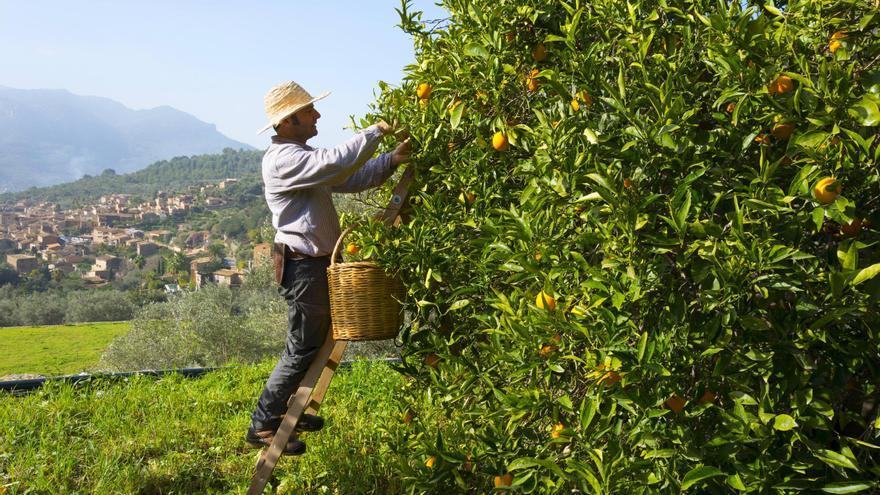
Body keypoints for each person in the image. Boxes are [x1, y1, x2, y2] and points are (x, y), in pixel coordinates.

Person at [247, 80, 411, 454]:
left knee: (315, 341)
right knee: (302, 346)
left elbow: (348, 177)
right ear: (289, 121)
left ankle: (292, 409)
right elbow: (334, 162)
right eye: (309, 111)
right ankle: (263, 425)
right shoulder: (284, 160)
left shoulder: (301, 157)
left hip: (314, 265)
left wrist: (391, 160)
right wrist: (377, 131)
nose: (317, 114)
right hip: (302, 267)